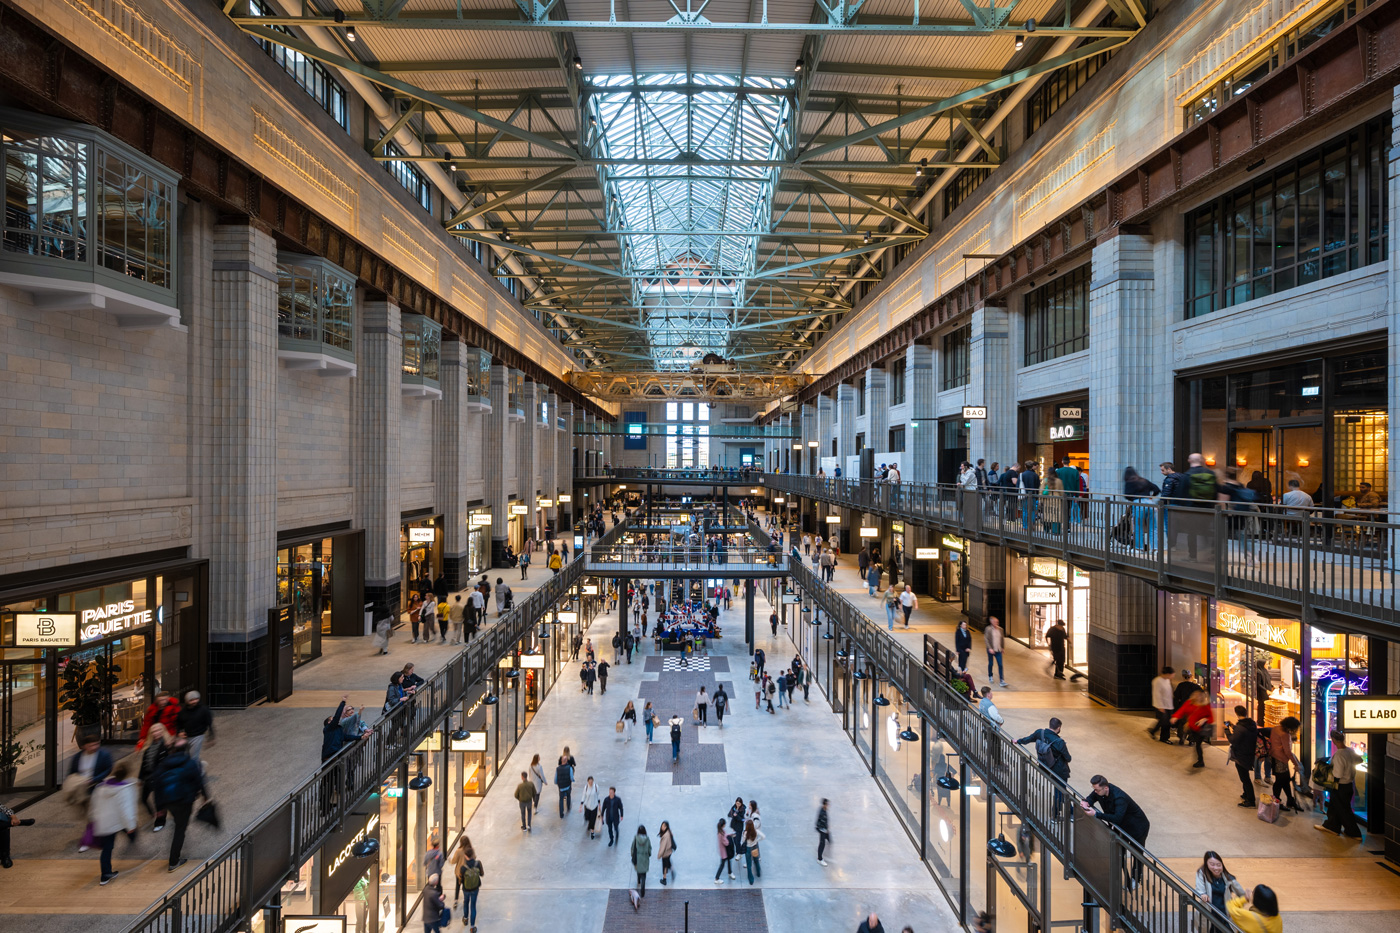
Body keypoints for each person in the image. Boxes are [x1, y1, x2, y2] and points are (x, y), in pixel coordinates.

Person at [1081, 775, 1150, 887]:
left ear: (1106, 788)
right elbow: (1092, 797)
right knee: (1118, 851)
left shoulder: (1120, 798)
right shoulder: (1100, 791)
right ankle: (1119, 877)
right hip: (1122, 827)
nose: (1095, 792)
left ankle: (1135, 879)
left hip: (1137, 827)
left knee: (1137, 853)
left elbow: (1117, 818)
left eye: (1097, 790)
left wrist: (1096, 814)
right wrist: (1086, 801)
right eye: (1094, 789)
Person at [152, 738, 208, 872]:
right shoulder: (190, 763)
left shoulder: (163, 764)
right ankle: (174, 861)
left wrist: (159, 807)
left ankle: (174, 856)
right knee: (180, 829)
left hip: (169, 801)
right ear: (187, 750)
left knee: (178, 824)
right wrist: (205, 797)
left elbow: (157, 786)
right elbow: (199, 782)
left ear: (172, 750)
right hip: (185, 801)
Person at [89, 761, 138, 884]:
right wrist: (130, 826)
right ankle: (133, 842)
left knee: (107, 849)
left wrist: (94, 818)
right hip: (117, 821)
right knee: (131, 831)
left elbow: (94, 805)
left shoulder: (101, 787)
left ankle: (105, 874)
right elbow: (125, 810)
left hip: (104, 822)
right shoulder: (124, 790)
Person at [1318, 729, 1363, 838]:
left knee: (1344, 810)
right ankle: (1331, 826)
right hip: (1349, 785)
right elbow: (1359, 760)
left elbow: (1337, 774)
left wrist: (1328, 770)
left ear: (1333, 740)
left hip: (1340, 786)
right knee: (1335, 806)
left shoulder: (1339, 754)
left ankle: (1354, 832)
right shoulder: (1350, 751)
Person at [139, 723, 172, 830]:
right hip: (148, 777)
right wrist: (140, 777)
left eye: (158, 730)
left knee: (159, 802)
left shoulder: (167, 746)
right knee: (143, 799)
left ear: (163, 731)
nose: (155, 733)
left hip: (160, 778)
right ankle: (153, 813)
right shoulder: (148, 745)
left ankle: (160, 822)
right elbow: (144, 763)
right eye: (153, 731)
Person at [1195, 851, 1246, 917]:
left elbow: (1242, 894)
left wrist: (1235, 907)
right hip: (1209, 913)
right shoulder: (1202, 873)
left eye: (1218, 865)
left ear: (1222, 865)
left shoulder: (1228, 878)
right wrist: (1203, 894)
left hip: (1225, 914)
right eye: (1212, 864)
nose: (1216, 868)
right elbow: (1200, 890)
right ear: (1206, 864)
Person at [1226, 706, 1259, 809]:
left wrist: (1226, 730)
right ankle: (1246, 794)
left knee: (1244, 778)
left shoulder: (1241, 727)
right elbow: (1243, 733)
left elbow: (1233, 740)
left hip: (1241, 755)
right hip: (1249, 753)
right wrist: (1233, 726)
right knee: (1245, 776)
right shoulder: (1251, 724)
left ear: (1236, 713)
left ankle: (1251, 800)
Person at [1172, 688, 1214, 768]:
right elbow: (1182, 711)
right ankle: (1199, 759)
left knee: (1198, 745)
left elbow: (1211, 718)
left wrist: (1204, 719)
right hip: (1192, 728)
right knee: (1196, 744)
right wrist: (1175, 717)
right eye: (1196, 694)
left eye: (1199, 695)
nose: (1197, 696)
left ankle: (1200, 761)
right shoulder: (1189, 703)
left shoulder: (1205, 706)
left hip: (1201, 729)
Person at [175, 691, 214, 761]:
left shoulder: (204, 709)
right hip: (186, 736)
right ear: (187, 701)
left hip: (198, 736)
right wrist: (178, 732)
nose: (194, 701)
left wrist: (211, 736)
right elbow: (178, 724)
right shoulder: (182, 712)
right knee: (186, 756)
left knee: (193, 757)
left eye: (196, 699)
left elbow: (209, 723)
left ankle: (196, 770)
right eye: (191, 700)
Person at [457, 846, 484, 931]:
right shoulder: (478, 863)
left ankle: (465, 919)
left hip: (466, 889)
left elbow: (460, 880)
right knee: (473, 906)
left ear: (465, 856)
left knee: (466, 902)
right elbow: (482, 874)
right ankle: (472, 927)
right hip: (475, 888)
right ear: (472, 854)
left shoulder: (463, 867)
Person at [1150, 667, 1175, 744]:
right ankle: (1164, 738)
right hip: (1161, 706)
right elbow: (1157, 695)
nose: (1172, 677)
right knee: (1165, 722)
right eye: (1172, 675)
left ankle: (1153, 731)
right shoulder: (1157, 681)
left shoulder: (1167, 680)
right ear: (1168, 674)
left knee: (1164, 721)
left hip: (1168, 704)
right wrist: (1160, 706)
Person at [630, 825, 652, 896]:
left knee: (638, 869)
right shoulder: (647, 839)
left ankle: (638, 880)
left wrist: (632, 854)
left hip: (637, 857)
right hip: (645, 857)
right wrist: (648, 854)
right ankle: (642, 891)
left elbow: (632, 847)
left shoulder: (636, 838)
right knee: (644, 874)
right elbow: (649, 848)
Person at [985, 616, 1007, 686]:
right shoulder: (988, 629)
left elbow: (1002, 639)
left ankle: (1002, 680)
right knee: (991, 663)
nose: (996, 623)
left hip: (998, 650)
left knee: (1000, 665)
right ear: (991, 622)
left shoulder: (1000, 629)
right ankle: (990, 676)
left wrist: (1003, 648)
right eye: (994, 622)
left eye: (997, 622)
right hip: (991, 649)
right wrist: (989, 648)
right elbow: (986, 639)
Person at [742, 818, 765, 885]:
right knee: (756, 861)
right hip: (755, 847)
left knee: (749, 865)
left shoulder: (745, 833)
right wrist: (757, 840)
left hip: (748, 849)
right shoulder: (755, 831)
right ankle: (758, 873)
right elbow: (763, 836)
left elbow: (743, 841)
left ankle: (751, 880)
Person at [714, 818, 735, 883]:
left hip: (724, 851)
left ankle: (730, 872)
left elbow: (725, 836)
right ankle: (717, 878)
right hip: (724, 852)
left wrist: (729, 835)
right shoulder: (721, 833)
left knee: (728, 861)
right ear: (723, 825)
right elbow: (726, 843)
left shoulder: (721, 831)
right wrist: (729, 838)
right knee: (722, 865)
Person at [555, 754, 575, 818]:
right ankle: (568, 808)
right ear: (566, 761)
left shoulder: (557, 769)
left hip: (561, 787)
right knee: (568, 796)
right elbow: (571, 777)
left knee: (561, 800)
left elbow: (555, 780)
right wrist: (572, 781)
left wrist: (558, 783)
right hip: (568, 786)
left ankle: (561, 814)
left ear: (561, 761)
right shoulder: (569, 768)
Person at [657, 820, 676, 886]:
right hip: (669, 852)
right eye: (662, 826)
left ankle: (664, 880)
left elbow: (662, 847)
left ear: (666, 827)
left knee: (664, 866)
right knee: (667, 862)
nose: (662, 827)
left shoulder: (665, 836)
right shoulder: (669, 832)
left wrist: (659, 855)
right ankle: (672, 870)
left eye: (664, 826)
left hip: (665, 853)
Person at [815, 797, 831, 866]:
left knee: (828, 837)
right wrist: (825, 830)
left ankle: (829, 840)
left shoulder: (823, 809)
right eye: (827, 804)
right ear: (824, 804)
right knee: (822, 844)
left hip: (824, 829)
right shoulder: (822, 813)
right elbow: (821, 823)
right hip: (822, 830)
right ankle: (820, 859)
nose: (828, 805)